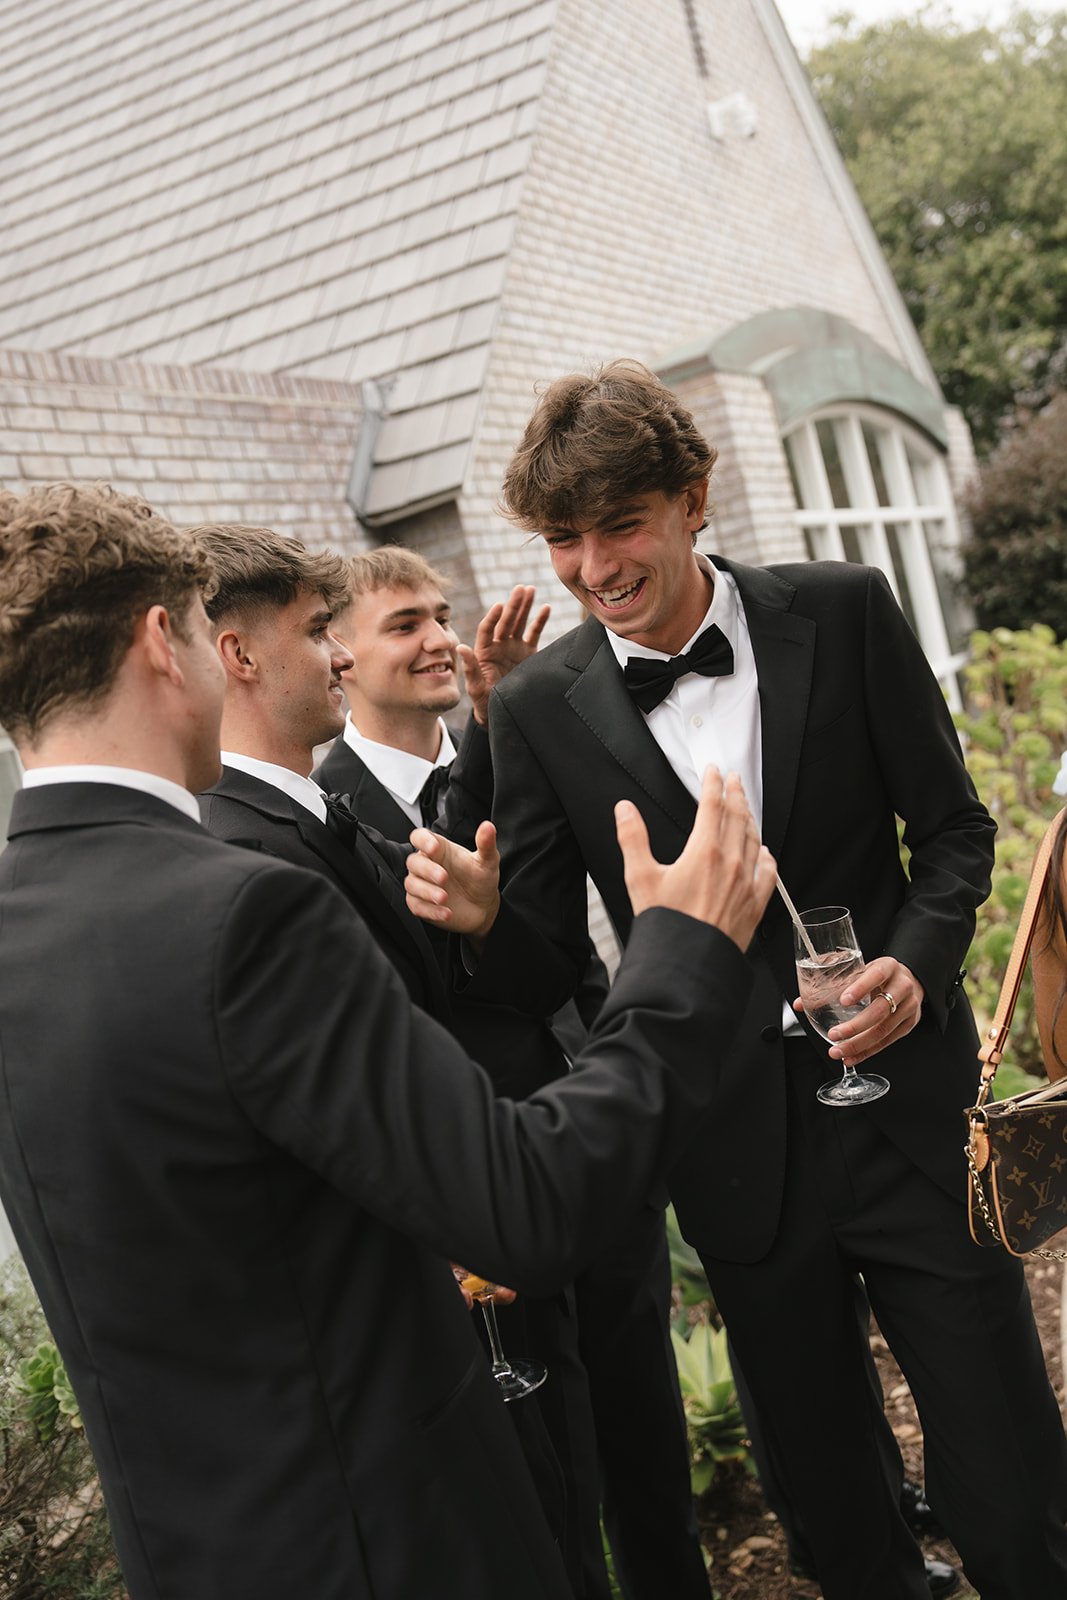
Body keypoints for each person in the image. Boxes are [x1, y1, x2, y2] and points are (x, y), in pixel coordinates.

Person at [0, 481, 775, 1600]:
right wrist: (684, 950)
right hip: (388, 1539)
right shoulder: (240, 911)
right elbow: (522, 1206)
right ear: (162, 642)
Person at [411, 360, 1067, 1600]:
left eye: (620, 523)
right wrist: (492, 921)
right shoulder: (543, 704)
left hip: (912, 1116)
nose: (593, 565)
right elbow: (549, 953)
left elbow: (953, 834)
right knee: (827, 1495)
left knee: (1006, 1467)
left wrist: (915, 970)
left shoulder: (846, 604)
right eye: (563, 537)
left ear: (693, 498)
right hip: (727, 1142)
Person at [192, 522, 600, 1593]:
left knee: (578, 1501)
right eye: (323, 630)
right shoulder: (245, 854)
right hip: (455, 1260)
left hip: (526, 1201)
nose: (333, 654)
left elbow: (513, 964)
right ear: (238, 656)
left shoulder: (304, 818)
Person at [320, 546, 706, 1600]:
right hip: (475, 1192)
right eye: (404, 622)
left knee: (644, 1440)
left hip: (587, 1150)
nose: (440, 636)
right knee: (548, 1475)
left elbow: (560, 966)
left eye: (440, 614)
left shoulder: (507, 749)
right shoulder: (326, 814)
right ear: (335, 655)